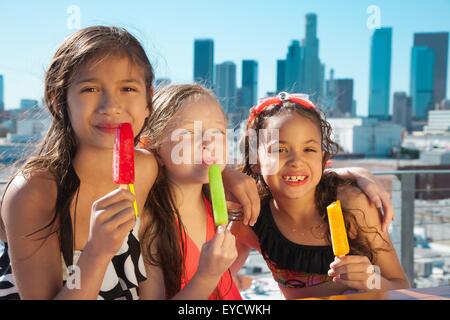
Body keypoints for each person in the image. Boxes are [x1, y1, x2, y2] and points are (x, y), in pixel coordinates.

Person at [0, 27, 259, 300]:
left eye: (128, 88)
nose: (111, 105)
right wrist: (97, 253)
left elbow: (187, 159)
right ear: (58, 100)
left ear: (148, 100)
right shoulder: (35, 192)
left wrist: (228, 172)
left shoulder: (145, 170)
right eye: (90, 88)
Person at [234, 92, 410, 299]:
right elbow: (220, 275)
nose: (296, 161)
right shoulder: (250, 219)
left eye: (309, 149)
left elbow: (402, 286)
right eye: (280, 149)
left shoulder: (353, 206)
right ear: (255, 160)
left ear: (323, 159)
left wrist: (371, 280)